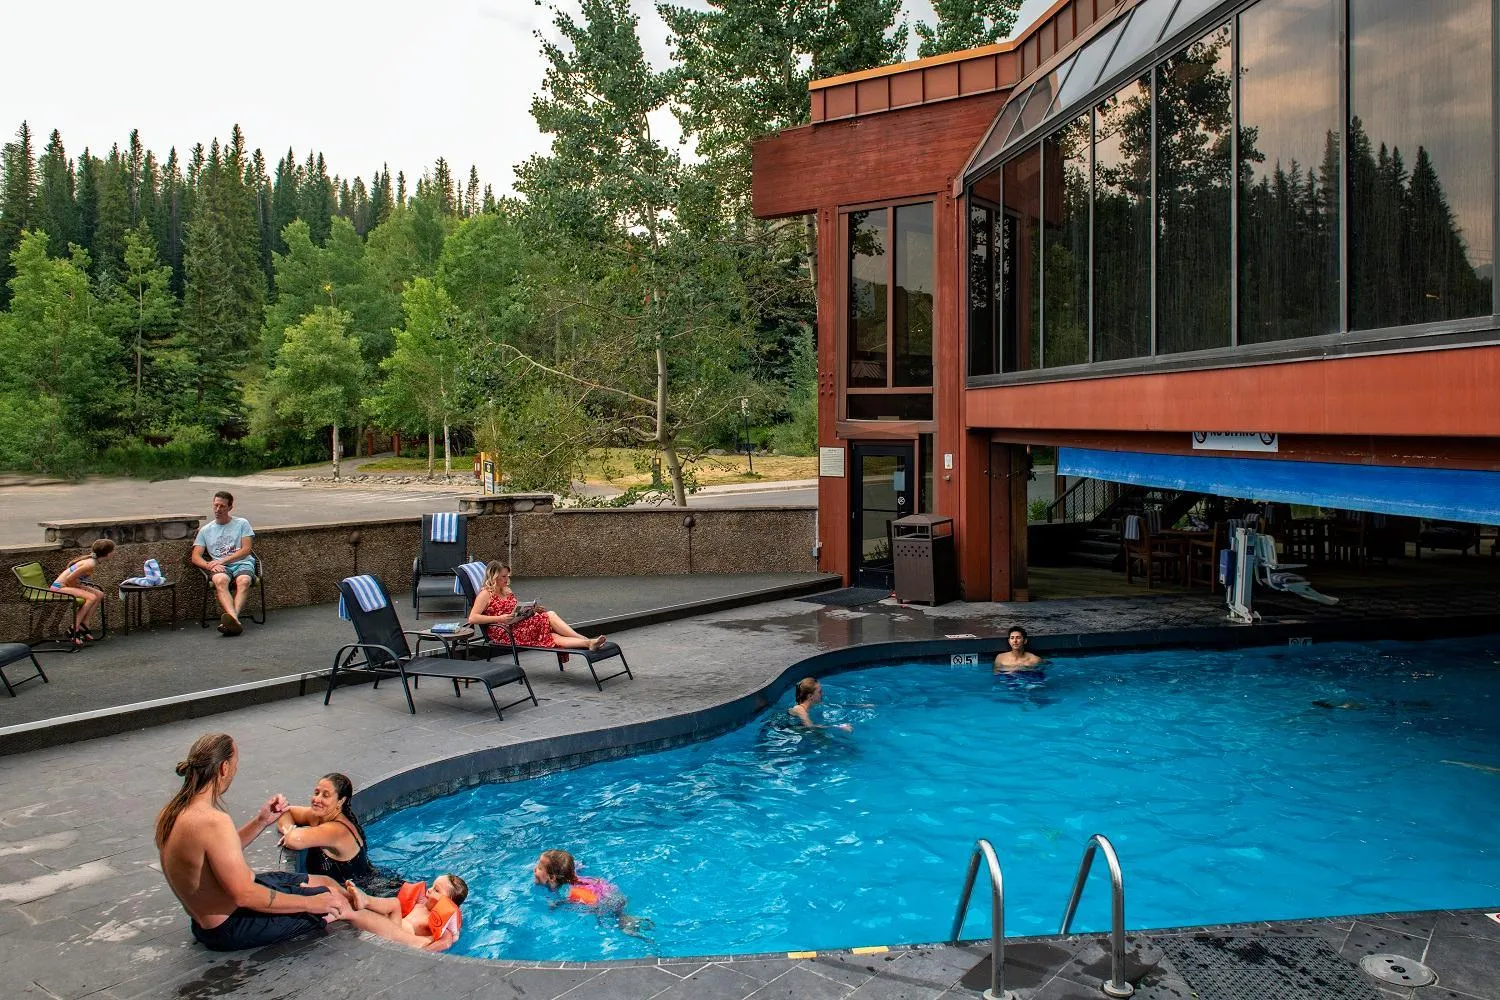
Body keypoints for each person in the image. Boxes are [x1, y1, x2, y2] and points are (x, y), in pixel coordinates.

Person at [155, 733, 346, 951]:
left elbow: (217, 851)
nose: (235, 771)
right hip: (233, 925)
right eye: (235, 765)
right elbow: (244, 895)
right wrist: (311, 904)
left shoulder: (172, 812)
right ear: (224, 768)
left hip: (210, 921)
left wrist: (261, 821)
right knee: (334, 902)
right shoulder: (214, 821)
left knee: (325, 881)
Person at [274, 773, 389, 891]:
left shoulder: (336, 830)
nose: (317, 799)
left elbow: (294, 840)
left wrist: (291, 835)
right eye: (316, 793)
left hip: (373, 892)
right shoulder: (319, 817)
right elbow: (285, 812)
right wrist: (288, 829)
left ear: (340, 801)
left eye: (326, 795)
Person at [466, 561, 606, 656]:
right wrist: (500, 618)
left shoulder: (506, 590)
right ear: (494, 576)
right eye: (503, 576)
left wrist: (530, 610)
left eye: (507, 576)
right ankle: (585, 639)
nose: (506, 579)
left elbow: (515, 610)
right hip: (503, 632)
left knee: (551, 636)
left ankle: (588, 643)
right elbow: (473, 618)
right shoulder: (485, 594)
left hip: (517, 625)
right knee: (550, 615)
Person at [533, 850, 653, 939]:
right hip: (604, 889)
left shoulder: (567, 891)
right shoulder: (569, 876)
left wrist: (557, 904)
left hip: (604, 900)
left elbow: (593, 902)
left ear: (552, 877)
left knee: (616, 915)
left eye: (539, 868)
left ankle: (626, 920)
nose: (534, 869)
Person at [340, 874, 468, 952]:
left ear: (448, 902)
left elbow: (446, 942)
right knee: (394, 903)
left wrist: (423, 953)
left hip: (399, 934)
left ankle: (365, 900)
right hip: (395, 923)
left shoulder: (440, 923)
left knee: (395, 904)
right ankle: (362, 900)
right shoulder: (422, 905)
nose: (429, 890)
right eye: (432, 886)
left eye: (436, 890)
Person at [192, 490, 256, 637]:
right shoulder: (206, 530)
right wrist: (210, 565)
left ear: (230, 507)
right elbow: (195, 557)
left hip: (242, 562)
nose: (218, 509)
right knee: (220, 580)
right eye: (215, 505)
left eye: (222, 506)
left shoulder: (241, 523)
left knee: (244, 580)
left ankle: (232, 619)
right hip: (219, 567)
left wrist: (223, 560)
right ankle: (235, 621)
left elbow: (246, 549)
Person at [49, 538, 114, 644]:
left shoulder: (93, 561)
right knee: (91, 597)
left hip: (69, 585)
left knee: (99, 594)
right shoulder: (90, 564)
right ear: (107, 553)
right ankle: (73, 628)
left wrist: (81, 588)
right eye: (113, 551)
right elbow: (69, 579)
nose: (113, 553)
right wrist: (81, 589)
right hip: (59, 588)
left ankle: (84, 623)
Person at [788, 677, 853, 731]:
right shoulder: (800, 709)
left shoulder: (813, 704)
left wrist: (857, 706)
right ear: (810, 696)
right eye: (819, 692)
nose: (822, 694)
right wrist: (839, 727)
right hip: (789, 728)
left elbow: (834, 705)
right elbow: (810, 727)